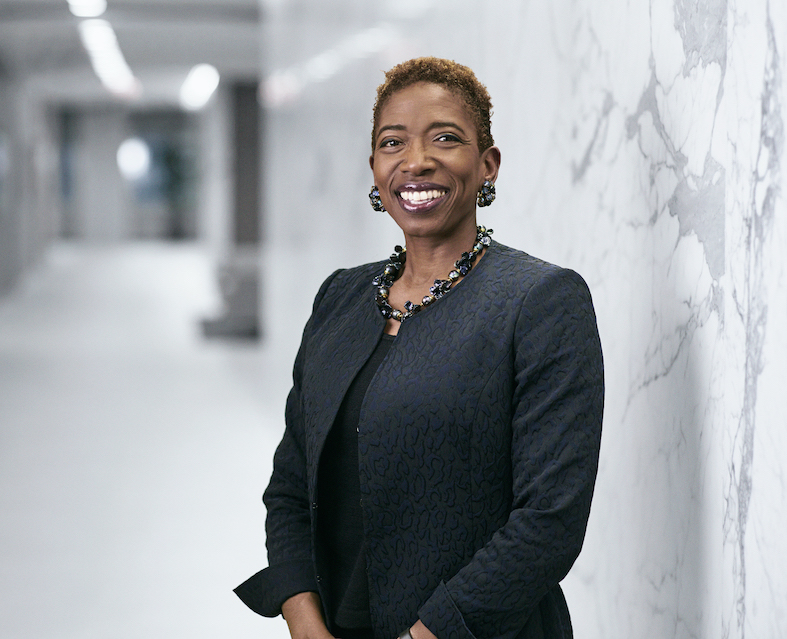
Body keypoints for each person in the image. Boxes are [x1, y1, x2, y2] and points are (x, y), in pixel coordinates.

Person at [235, 57, 604, 639]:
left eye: (446, 139)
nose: (417, 161)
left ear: (488, 166)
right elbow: (290, 486)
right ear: (376, 169)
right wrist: (305, 625)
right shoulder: (341, 298)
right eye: (392, 143)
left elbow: (549, 521)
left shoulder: (539, 301)